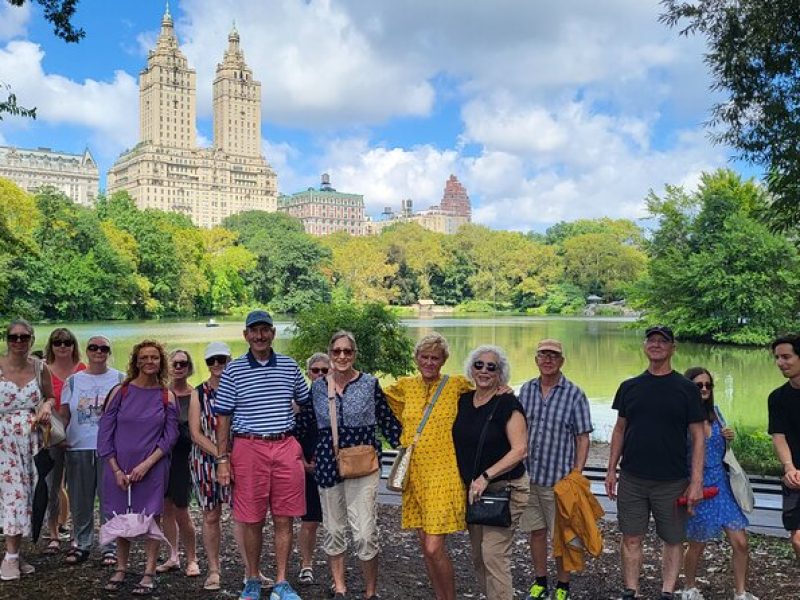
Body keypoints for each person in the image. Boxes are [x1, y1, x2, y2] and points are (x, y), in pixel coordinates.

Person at [605, 326, 706, 600]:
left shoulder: (686, 389)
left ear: (673, 348)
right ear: (645, 346)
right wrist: (611, 469)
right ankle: (631, 590)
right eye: (652, 340)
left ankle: (667, 591)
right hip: (632, 478)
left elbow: (698, 437)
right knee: (631, 537)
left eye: (663, 341)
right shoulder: (629, 387)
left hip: (672, 480)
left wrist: (696, 482)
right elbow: (619, 429)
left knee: (673, 539)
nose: (657, 345)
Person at [215, 310, 309, 600]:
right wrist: (222, 460)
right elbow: (223, 418)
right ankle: (252, 578)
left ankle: (281, 581)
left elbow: (305, 403)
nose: (259, 335)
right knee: (252, 518)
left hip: (284, 445)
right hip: (248, 447)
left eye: (265, 330)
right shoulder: (234, 370)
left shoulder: (291, 367)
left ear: (273, 333)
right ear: (245, 335)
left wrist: (296, 442)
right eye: (253, 330)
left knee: (285, 517)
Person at [307, 331, 401, 600]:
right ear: (330, 353)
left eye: (347, 351)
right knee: (334, 529)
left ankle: (370, 591)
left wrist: (410, 448)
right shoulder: (317, 387)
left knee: (365, 534)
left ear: (355, 354)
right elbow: (307, 424)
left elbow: (387, 421)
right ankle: (340, 587)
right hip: (328, 464)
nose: (342, 356)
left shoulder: (369, 384)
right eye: (336, 351)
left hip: (364, 463)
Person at [383, 332, 475, 600]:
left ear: (444, 360)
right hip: (415, 474)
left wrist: (502, 387)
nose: (429, 362)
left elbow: (486, 390)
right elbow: (377, 397)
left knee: (435, 546)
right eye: (424, 357)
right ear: (417, 358)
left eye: (435, 358)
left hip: (444, 474)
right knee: (425, 546)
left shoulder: (456, 385)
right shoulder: (404, 387)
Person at [97, 340, 179, 595]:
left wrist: (146, 465)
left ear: (161, 362)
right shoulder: (120, 392)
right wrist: (116, 469)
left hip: (152, 467)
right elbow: (105, 433)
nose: (149, 362)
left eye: (154, 357)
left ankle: (149, 570)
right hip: (119, 467)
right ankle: (121, 568)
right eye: (144, 357)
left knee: (151, 517)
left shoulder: (167, 396)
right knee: (121, 516)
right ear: (136, 361)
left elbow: (170, 436)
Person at [452, 345, 528, 600]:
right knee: (478, 558)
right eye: (479, 365)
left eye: (491, 367)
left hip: (505, 489)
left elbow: (519, 450)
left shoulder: (508, 403)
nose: (484, 371)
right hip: (474, 493)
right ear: (471, 369)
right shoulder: (463, 400)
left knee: (494, 555)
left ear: (500, 374)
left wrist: (486, 476)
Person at [518, 339, 592, 600]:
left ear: (562, 361)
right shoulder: (526, 390)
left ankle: (563, 586)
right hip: (529, 478)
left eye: (553, 356)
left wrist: (577, 473)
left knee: (561, 537)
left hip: (558, 480)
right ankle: (540, 582)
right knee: (536, 533)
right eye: (543, 355)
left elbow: (583, 437)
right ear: (536, 359)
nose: (548, 360)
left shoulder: (575, 394)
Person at [681, 367, 757, 600]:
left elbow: (721, 452)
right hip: (698, 485)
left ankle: (741, 592)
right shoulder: (680, 417)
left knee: (741, 541)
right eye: (698, 385)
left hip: (722, 485)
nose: (704, 389)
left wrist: (728, 439)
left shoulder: (716, 413)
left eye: (708, 385)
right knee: (697, 543)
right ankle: (689, 587)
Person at [60, 335, 124, 566]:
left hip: (109, 450)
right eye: (94, 347)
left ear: (109, 352)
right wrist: (56, 436)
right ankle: (82, 543)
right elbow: (65, 414)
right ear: (87, 351)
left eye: (104, 348)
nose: (99, 351)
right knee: (80, 500)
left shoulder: (120, 379)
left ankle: (110, 546)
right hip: (78, 447)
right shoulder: (73, 381)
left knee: (110, 500)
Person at [0, 319, 55, 581]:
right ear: (7, 339)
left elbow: (51, 395)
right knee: (14, 494)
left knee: (29, 495)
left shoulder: (39, 367)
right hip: (4, 441)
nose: (19, 342)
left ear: (32, 339)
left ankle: (16, 551)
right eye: (13, 337)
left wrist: (46, 406)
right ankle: (10, 558)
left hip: (32, 441)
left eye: (24, 337)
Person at [188, 341, 234, 591]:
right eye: (211, 361)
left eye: (221, 359)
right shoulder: (199, 392)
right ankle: (214, 569)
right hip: (205, 459)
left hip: (238, 458)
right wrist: (221, 455)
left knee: (244, 516)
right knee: (211, 514)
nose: (216, 365)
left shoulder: (240, 388)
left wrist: (229, 457)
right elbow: (195, 433)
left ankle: (252, 570)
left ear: (230, 359)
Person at [156, 349, 199, 577]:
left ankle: (192, 558)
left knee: (182, 510)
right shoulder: (160, 393)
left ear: (189, 367)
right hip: (161, 458)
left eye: (184, 363)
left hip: (184, 457)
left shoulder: (195, 394)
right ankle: (173, 556)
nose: (179, 367)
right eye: (175, 363)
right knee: (165, 509)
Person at [43, 327, 86, 555]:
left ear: (73, 345)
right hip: (52, 435)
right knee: (52, 486)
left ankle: (78, 535)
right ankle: (53, 533)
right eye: (57, 342)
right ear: (51, 345)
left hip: (79, 436)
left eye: (67, 342)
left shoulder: (83, 371)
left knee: (78, 488)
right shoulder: (43, 371)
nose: (62, 346)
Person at [294, 352, 330, 586]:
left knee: (336, 522)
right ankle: (306, 565)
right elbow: (293, 435)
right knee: (309, 521)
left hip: (334, 467)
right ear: (308, 373)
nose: (319, 375)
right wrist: (302, 462)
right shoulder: (302, 402)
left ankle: (336, 569)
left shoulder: (339, 399)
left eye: (324, 371)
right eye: (315, 370)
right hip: (308, 467)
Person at [768, 334, 800, 561]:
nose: (781, 363)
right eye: (777, 358)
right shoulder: (777, 397)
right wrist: (789, 468)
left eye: (787, 357)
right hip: (795, 476)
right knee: (797, 538)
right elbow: (778, 436)